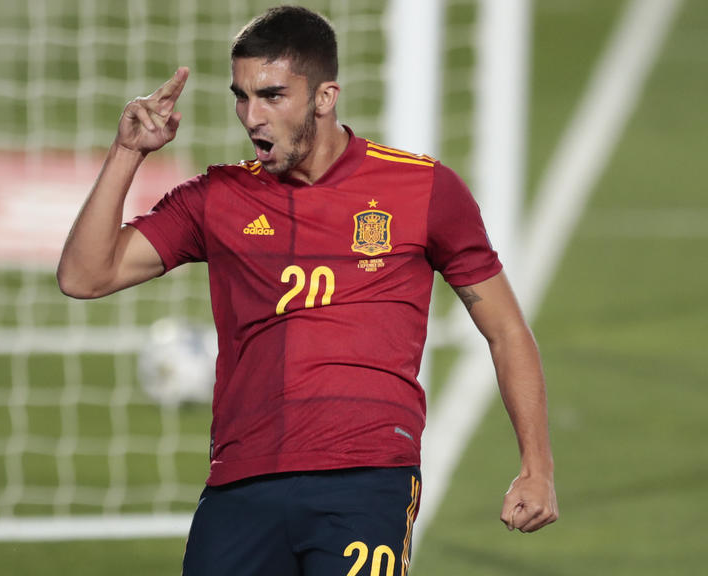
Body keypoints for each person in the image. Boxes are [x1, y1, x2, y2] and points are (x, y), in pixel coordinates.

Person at [57, 5, 557, 575]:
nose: (252, 117)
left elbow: (506, 329)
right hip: (242, 483)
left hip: (366, 478)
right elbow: (84, 276)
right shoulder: (217, 197)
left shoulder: (423, 189)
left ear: (325, 97)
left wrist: (535, 466)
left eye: (272, 96)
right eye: (241, 97)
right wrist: (128, 153)